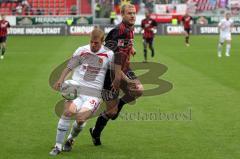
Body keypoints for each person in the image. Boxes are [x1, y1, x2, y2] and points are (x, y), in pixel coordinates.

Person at [49, 28, 114, 156]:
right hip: (76, 90)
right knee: (68, 112)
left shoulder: (109, 54)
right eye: (91, 42)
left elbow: (113, 74)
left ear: (102, 42)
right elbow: (69, 66)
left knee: (80, 119)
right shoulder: (81, 50)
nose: (93, 45)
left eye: (96, 43)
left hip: (94, 94)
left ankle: (71, 139)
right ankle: (57, 146)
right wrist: (61, 80)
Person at [89, 4, 143, 146]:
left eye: (134, 13)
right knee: (112, 114)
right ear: (122, 15)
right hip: (110, 73)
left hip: (123, 68)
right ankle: (95, 132)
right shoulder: (117, 31)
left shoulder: (130, 28)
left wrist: (131, 48)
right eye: (129, 13)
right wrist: (124, 79)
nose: (132, 15)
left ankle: (116, 105)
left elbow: (124, 44)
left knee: (138, 90)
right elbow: (110, 56)